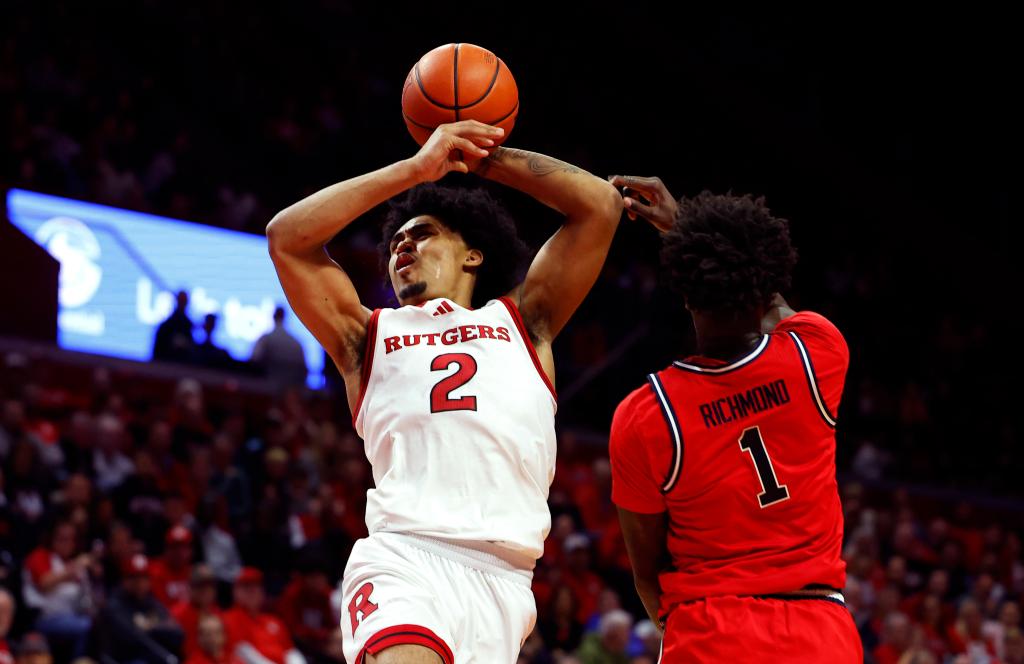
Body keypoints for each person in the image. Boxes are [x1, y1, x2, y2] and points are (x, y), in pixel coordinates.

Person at [267, 120, 621, 663]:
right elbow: (287, 238)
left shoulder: (525, 323)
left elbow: (599, 204)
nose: (403, 245)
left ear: (472, 255)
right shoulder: (367, 337)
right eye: (396, 242)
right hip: (403, 559)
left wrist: (479, 158)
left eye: (423, 232)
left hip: (503, 583)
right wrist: (418, 168)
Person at [605, 176, 861, 662]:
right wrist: (687, 230)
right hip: (821, 632)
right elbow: (776, 305)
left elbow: (647, 571)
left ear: (685, 295)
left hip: (711, 630)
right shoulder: (816, 355)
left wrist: (687, 242)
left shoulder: (646, 414)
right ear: (764, 281)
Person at [250, 307, 308, 389]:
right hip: (292, 393)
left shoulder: (266, 339)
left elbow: (254, 361)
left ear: (273, 317)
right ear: (285, 318)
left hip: (267, 390)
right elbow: (304, 371)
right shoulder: (297, 344)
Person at [153, 290, 196, 363]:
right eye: (181, 301)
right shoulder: (166, 327)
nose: (183, 304)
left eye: (184, 301)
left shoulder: (189, 327)